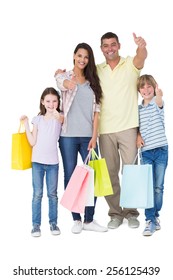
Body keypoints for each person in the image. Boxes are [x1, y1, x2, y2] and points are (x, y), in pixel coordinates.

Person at [54, 42, 107, 234]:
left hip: (88, 137)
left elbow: (96, 113)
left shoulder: (93, 81)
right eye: (79, 56)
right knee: (70, 176)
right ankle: (76, 218)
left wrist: (94, 136)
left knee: (92, 177)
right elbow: (61, 83)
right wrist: (65, 79)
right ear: (74, 56)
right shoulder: (65, 76)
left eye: (86, 57)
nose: (82, 60)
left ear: (89, 59)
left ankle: (89, 219)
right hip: (67, 135)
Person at [97, 32, 147, 229]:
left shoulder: (130, 65)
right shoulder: (97, 69)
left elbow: (141, 57)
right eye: (106, 45)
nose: (110, 48)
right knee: (110, 174)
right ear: (101, 48)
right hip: (105, 130)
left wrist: (141, 46)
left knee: (131, 173)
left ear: (119, 45)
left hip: (128, 127)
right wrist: (60, 75)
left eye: (113, 44)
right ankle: (115, 213)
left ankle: (132, 212)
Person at [20, 87, 63, 237]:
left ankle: (53, 223)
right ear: (42, 102)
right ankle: (36, 225)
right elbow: (32, 142)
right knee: (37, 194)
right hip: (37, 162)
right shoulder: (37, 119)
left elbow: (62, 120)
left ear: (58, 102)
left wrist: (57, 114)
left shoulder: (59, 117)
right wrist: (26, 124)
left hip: (53, 163)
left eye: (54, 101)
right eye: (48, 101)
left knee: (52, 194)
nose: (51, 104)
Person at [136, 74, 168, 236]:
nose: (146, 90)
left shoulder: (157, 103)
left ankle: (155, 216)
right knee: (148, 187)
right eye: (143, 87)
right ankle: (149, 220)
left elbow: (160, 101)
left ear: (154, 88)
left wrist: (159, 95)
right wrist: (138, 136)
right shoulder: (138, 109)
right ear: (139, 91)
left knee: (158, 187)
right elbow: (136, 129)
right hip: (146, 152)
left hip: (161, 150)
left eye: (149, 86)